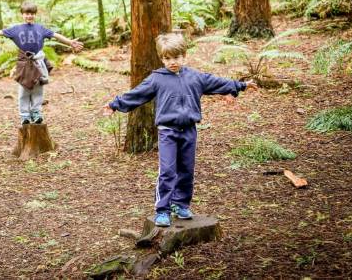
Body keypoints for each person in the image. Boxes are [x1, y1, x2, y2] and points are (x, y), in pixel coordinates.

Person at [103, 33, 257, 227]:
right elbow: (137, 94)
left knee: (186, 169)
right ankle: (162, 210)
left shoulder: (195, 77)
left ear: (184, 56)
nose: (172, 62)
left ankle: (180, 204)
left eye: (176, 58)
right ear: (162, 58)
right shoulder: (157, 79)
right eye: (167, 58)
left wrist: (240, 85)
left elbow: (217, 82)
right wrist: (115, 104)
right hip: (167, 131)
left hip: (189, 131)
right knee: (167, 170)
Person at [0, 1, 83, 125]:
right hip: (24, 63)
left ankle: (36, 112)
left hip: (38, 62)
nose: (29, 16)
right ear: (22, 14)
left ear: (35, 15)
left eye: (32, 14)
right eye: (27, 13)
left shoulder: (40, 28)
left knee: (38, 89)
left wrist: (70, 42)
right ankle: (24, 115)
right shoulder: (16, 29)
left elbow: (55, 35)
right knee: (24, 89)